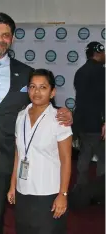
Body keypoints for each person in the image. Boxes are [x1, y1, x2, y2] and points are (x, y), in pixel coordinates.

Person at [0, 12, 72, 234]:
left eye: (5, 35)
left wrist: (66, 112)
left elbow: (42, 102)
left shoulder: (25, 73)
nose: (0, 39)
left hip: (4, 156)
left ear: (12, 38)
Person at [7, 69, 72, 234]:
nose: (37, 92)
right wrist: (13, 185)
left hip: (48, 194)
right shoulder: (21, 116)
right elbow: (18, 154)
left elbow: (66, 160)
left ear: (52, 92)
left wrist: (63, 194)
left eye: (43, 87)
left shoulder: (59, 119)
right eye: (32, 87)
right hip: (23, 191)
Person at [73, 41, 105, 186]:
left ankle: (81, 191)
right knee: (104, 159)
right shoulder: (102, 73)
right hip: (98, 124)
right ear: (98, 53)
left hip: (81, 123)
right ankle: (100, 192)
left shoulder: (80, 72)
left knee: (84, 156)